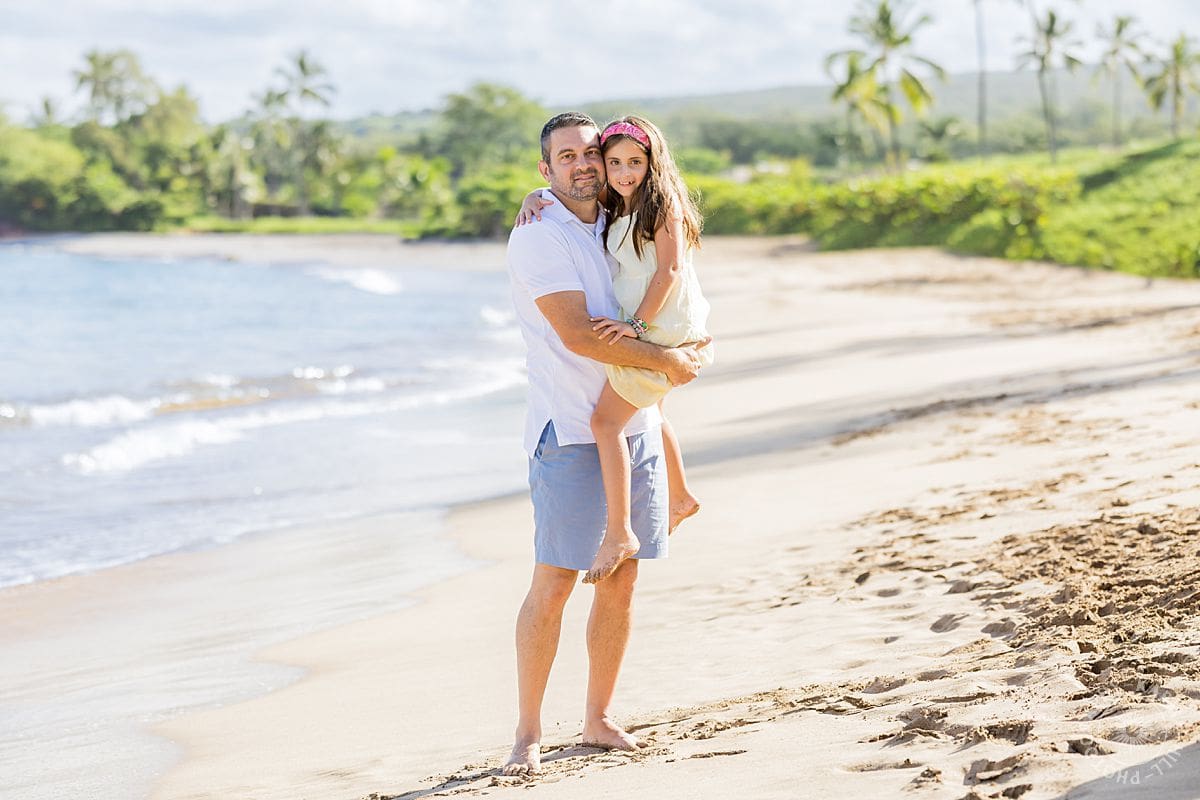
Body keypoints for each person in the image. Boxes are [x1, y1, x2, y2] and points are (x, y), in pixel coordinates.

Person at [503, 111, 708, 776]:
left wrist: (665, 358)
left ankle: (597, 718)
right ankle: (527, 733)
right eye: (565, 157)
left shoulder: (620, 214)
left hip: (633, 424)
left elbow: (668, 269)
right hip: (569, 430)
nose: (584, 164)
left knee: (621, 582)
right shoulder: (539, 234)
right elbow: (578, 335)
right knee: (554, 583)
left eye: (590, 152)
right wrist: (668, 361)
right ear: (546, 170)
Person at [516, 114, 713, 585]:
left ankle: (623, 530)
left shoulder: (657, 205)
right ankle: (680, 496)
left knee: (607, 422)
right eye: (614, 161)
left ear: (652, 162)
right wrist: (534, 196)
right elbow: (566, 192)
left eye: (633, 162)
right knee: (652, 412)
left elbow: (669, 271)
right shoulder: (613, 205)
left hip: (659, 328)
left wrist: (639, 329)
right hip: (646, 339)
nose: (620, 171)